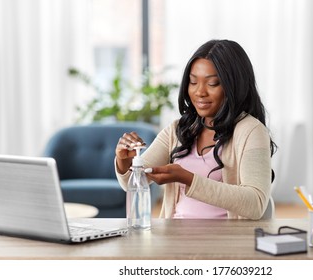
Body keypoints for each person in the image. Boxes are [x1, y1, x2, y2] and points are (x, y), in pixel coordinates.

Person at [115, 39, 277, 220]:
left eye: (213, 83)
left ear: (234, 85)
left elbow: (255, 204)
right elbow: (133, 183)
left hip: (226, 244)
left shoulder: (251, 131)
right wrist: (125, 161)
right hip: (175, 238)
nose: (200, 92)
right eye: (193, 82)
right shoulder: (178, 130)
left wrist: (188, 179)